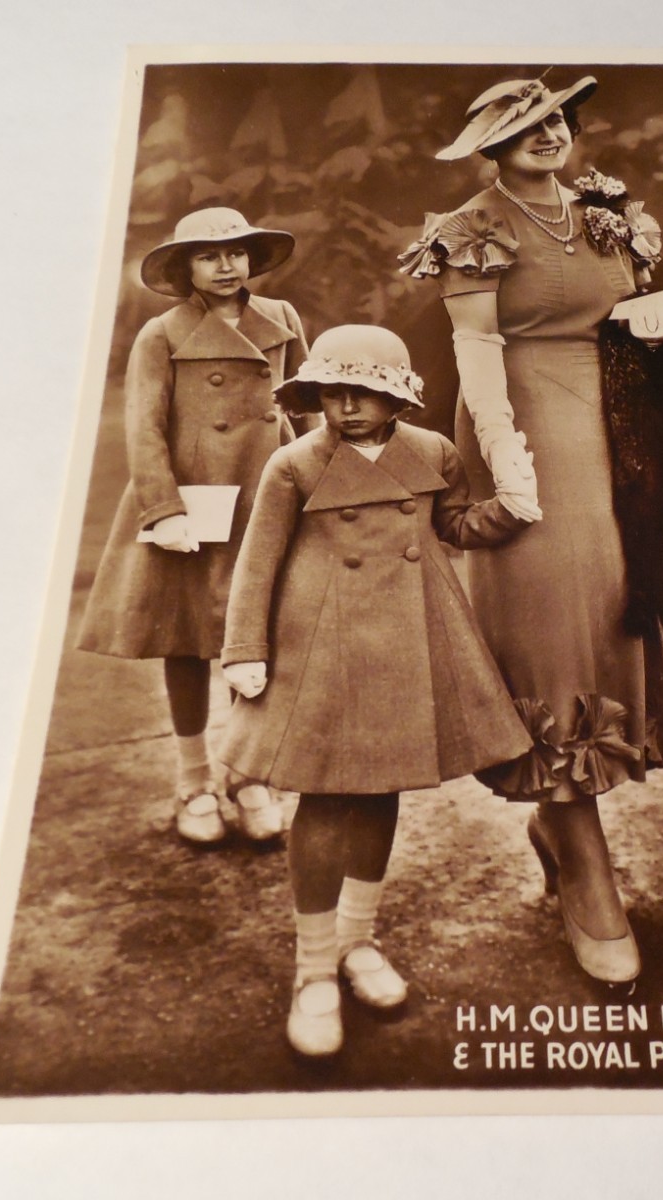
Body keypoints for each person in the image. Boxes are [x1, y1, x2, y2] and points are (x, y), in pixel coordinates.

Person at [400, 76, 663, 986]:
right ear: (490, 144)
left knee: (627, 603)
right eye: (524, 125)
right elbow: (476, 351)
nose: (548, 134)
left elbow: (622, 318)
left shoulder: (605, 210)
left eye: (556, 118)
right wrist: (507, 465)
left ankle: (560, 824)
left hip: (620, 423)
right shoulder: (473, 225)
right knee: (556, 617)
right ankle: (580, 848)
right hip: (527, 423)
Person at [219, 324, 531, 1057]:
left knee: (381, 790)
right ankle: (313, 970)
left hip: (408, 637)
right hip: (321, 646)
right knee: (326, 799)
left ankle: (357, 940)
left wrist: (506, 509)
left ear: (398, 397)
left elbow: (451, 524)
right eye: (334, 391)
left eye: (365, 392)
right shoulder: (295, 465)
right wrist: (244, 650)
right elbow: (257, 564)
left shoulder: (431, 453)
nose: (349, 406)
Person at [77, 207, 306, 846]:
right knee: (187, 638)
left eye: (235, 251)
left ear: (251, 257)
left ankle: (247, 774)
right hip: (197, 499)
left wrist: (323, 478)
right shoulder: (162, 333)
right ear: (187, 268)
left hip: (266, 492)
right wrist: (163, 507)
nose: (226, 264)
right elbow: (144, 427)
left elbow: (304, 403)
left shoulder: (282, 320)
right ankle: (194, 777)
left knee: (253, 635)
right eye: (209, 255)